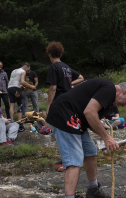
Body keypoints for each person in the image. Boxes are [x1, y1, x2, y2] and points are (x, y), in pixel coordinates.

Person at [46, 79, 126, 198]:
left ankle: (93, 189)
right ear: (124, 92)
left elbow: (90, 117)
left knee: (90, 151)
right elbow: (90, 112)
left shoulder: (108, 93)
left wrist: (106, 136)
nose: (124, 105)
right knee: (74, 160)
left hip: (75, 118)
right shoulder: (109, 89)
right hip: (64, 115)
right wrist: (107, 138)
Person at [45, 42, 84, 171]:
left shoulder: (54, 67)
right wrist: (69, 84)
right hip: (68, 101)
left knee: (61, 131)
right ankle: (65, 157)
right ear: (61, 54)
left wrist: (49, 105)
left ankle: (68, 162)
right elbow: (81, 77)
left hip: (59, 103)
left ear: (49, 54)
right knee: (61, 129)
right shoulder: (65, 67)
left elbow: (53, 87)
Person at [7, 62, 35, 131]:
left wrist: (22, 87)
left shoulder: (14, 70)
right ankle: (20, 124)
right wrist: (31, 86)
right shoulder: (23, 71)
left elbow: (16, 82)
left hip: (10, 88)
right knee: (20, 104)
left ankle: (12, 121)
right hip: (16, 88)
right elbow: (22, 82)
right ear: (26, 67)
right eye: (28, 70)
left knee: (12, 104)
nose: (27, 72)